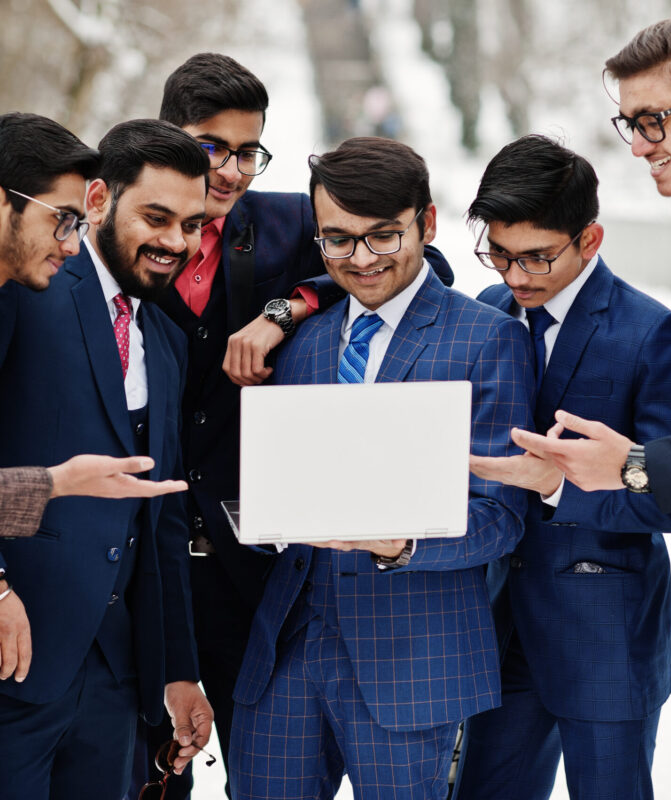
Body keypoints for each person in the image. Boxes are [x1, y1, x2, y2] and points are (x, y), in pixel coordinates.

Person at [131, 52, 456, 799]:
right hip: (145, 564)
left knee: (265, 775)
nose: (233, 169)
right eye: (212, 145)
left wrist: (288, 308)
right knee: (144, 772)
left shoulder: (283, 224)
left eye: (250, 150)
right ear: (165, 134)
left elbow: (421, 264)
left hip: (256, 570)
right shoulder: (123, 236)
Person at [228, 136, 534, 800]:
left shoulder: (489, 340)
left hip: (414, 661)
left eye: (382, 237)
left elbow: (503, 518)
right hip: (287, 646)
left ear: (426, 223)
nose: (360, 260)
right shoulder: (302, 344)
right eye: (337, 240)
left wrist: (401, 545)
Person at [455, 135, 671, 800]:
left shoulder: (653, 333)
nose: (516, 276)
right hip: (500, 631)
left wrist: (564, 487)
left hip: (605, 638)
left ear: (590, 240)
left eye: (537, 257)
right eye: (499, 254)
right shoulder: (488, 310)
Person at [0, 119, 214, 800]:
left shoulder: (170, 342)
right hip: (16, 657)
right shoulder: (23, 286)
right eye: (157, 217)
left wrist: (177, 668)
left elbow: (165, 522)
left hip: (117, 678)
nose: (175, 242)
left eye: (191, 225)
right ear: (100, 200)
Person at [508, 10, 671, 636]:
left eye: (653, 120)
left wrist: (634, 465)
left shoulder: (649, 330)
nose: (640, 144)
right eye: (630, 124)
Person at [0, 113, 188, 539]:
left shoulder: (168, 338)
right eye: (62, 218)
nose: (71, 244)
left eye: (192, 225)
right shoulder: (23, 298)